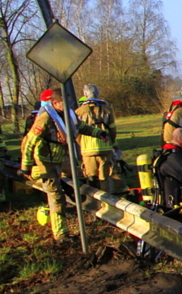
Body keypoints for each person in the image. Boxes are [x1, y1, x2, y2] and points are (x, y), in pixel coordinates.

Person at [19, 87, 108, 241]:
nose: (67, 106)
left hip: (59, 158)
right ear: (55, 103)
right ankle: (61, 234)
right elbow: (29, 142)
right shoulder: (45, 118)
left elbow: (80, 127)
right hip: (44, 161)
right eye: (63, 103)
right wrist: (25, 165)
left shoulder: (68, 115)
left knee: (70, 182)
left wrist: (98, 133)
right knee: (56, 195)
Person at [75, 83, 122, 194]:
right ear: (97, 94)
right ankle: (107, 200)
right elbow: (112, 130)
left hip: (87, 150)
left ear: (85, 94)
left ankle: (94, 200)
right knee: (105, 177)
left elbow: (76, 132)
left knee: (91, 176)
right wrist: (111, 142)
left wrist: (81, 143)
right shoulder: (107, 109)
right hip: (105, 149)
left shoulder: (78, 112)